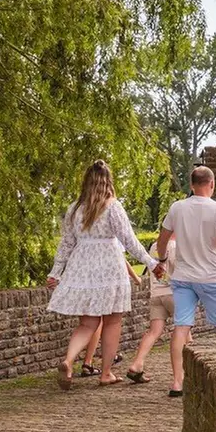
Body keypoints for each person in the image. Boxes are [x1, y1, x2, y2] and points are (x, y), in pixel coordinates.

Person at [47, 160, 158, 388]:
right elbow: (129, 240)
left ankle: (69, 360)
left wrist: (56, 272)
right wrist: (151, 262)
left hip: (82, 267)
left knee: (87, 324)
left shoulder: (75, 209)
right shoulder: (112, 207)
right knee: (112, 321)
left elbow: (66, 244)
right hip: (109, 267)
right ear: (108, 181)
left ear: (86, 182)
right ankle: (105, 373)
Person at [154, 165, 216, 398]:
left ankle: (177, 382)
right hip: (211, 277)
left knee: (181, 327)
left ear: (191, 185)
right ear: (212, 184)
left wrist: (161, 260)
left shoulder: (177, 208)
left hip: (183, 277)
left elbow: (162, 241)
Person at [124, 242, 171, 384]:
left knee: (153, 332)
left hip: (156, 294)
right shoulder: (177, 244)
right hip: (173, 292)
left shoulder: (155, 246)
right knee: (184, 331)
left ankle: (137, 364)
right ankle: (191, 370)